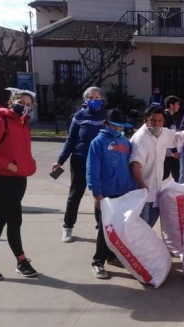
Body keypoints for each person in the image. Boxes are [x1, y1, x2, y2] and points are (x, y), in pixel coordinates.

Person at [0, 87, 37, 281]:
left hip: (19, 180)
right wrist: (9, 166)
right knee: (9, 220)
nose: (25, 107)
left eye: (29, 105)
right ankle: (16, 261)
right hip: (2, 181)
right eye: (21, 103)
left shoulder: (23, 124)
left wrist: (29, 165)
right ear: (11, 102)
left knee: (7, 220)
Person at [51, 86, 107, 243]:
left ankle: (100, 228)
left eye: (97, 98)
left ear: (103, 100)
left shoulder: (106, 116)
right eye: (91, 98)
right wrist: (60, 160)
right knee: (75, 194)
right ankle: (67, 227)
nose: (94, 100)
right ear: (85, 100)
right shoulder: (79, 116)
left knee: (100, 196)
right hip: (80, 159)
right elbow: (70, 140)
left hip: (101, 162)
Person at [86, 108, 136, 279]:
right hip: (105, 194)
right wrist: (96, 193)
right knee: (104, 229)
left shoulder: (125, 142)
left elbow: (129, 167)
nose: (118, 130)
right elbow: (92, 169)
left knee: (117, 228)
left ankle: (111, 255)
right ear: (105, 124)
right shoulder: (98, 143)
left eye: (121, 127)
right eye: (114, 127)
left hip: (122, 191)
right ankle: (97, 261)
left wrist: (132, 188)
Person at [130, 106, 184, 227]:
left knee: (149, 223)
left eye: (160, 121)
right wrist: (141, 184)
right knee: (141, 226)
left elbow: (175, 138)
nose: (156, 123)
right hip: (142, 191)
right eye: (153, 120)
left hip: (156, 189)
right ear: (146, 120)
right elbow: (135, 164)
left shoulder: (162, 132)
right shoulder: (141, 138)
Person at [163, 95, 181, 182]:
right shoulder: (167, 117)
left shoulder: (170, 117)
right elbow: (167, 135)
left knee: (171, 174)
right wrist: (174, 151)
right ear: (171, 105)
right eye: (177, 104)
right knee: (174, 175)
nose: (179, 106)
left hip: (169, 153)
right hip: (168, 153)